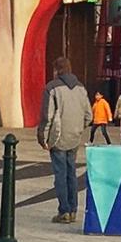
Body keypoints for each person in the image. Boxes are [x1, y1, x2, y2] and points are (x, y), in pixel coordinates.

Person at [37, 56, 89, 224]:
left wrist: (42, 137)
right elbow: (89, 115)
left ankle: (64, 210)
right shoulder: (81, 88)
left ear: (56, 70)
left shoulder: (52, 88)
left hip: (58, 136)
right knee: (71, 172)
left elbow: (48, 116)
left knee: (60, 173)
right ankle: (73, 210)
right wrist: (79, 127)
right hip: (74, 135)